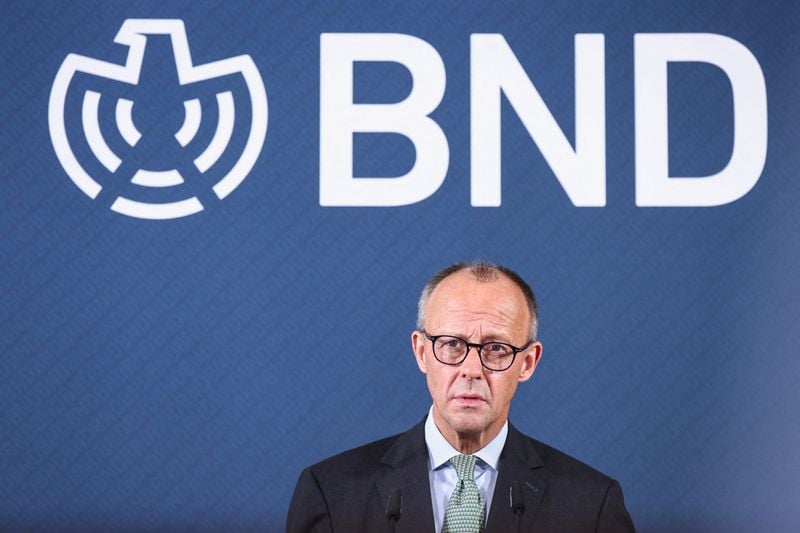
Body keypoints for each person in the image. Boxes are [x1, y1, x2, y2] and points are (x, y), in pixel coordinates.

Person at [286, 261, 635, 532]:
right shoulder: (332, 493)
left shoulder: (590, 505)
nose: (471, 370)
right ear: (421, 352)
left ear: (528, 362)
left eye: (496, 349)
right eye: (452, 344)